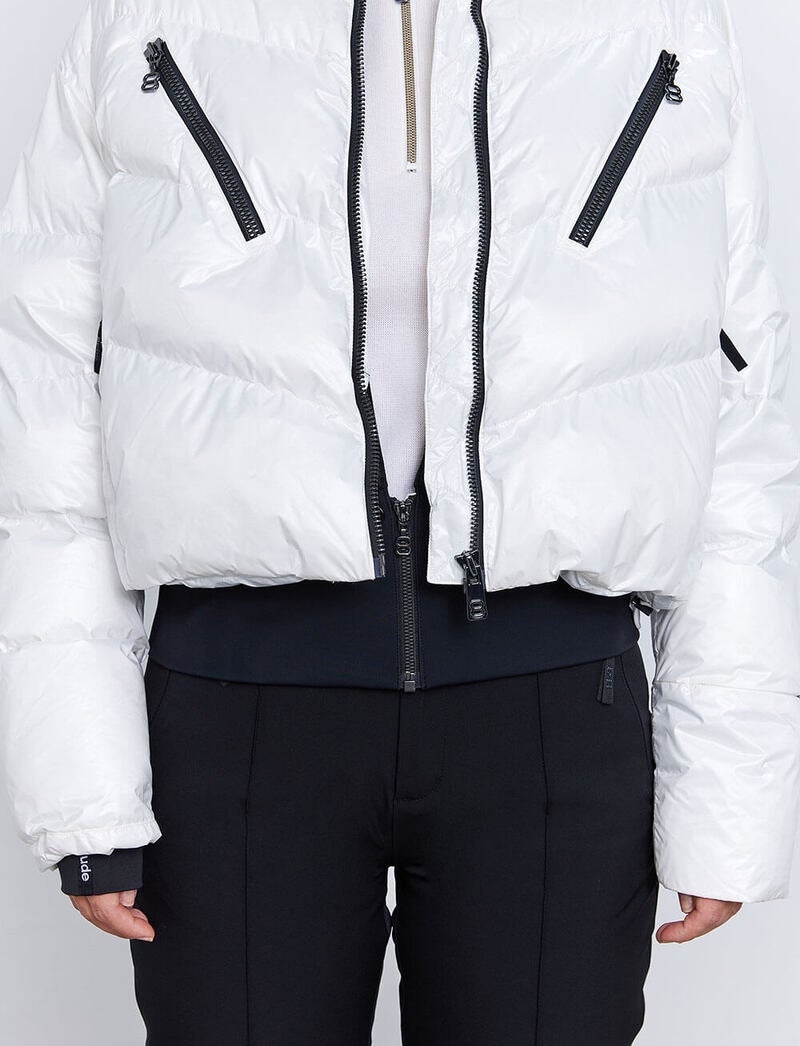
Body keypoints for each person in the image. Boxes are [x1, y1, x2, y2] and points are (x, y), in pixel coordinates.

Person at [1, 0, 798, 1043]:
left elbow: (735, 418)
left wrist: (727, 793)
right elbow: (50, 406)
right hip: (238, 715)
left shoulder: (661, 16)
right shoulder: (149, 15)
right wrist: (85, 794)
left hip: (553, 715)